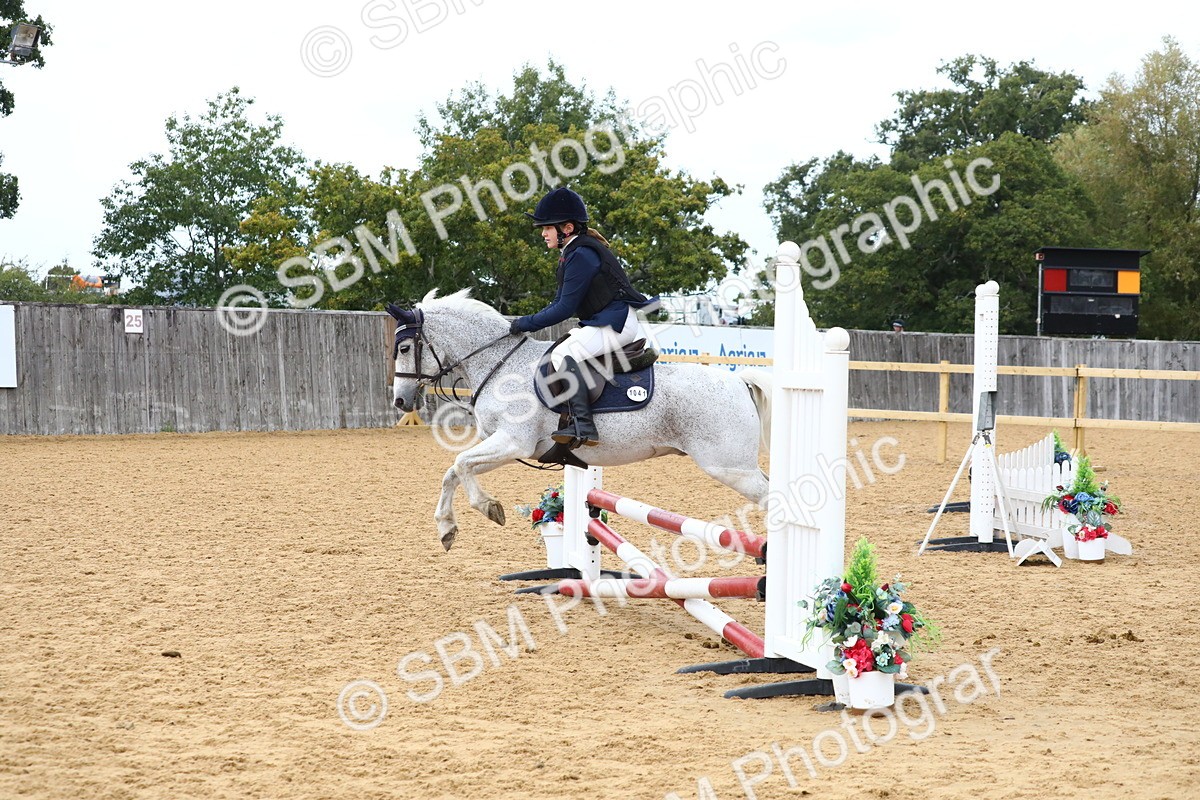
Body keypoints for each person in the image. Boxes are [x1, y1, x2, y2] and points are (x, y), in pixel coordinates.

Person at [509, 187, 657, 448]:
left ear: (566, 227)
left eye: (547, 228)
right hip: (606, 320)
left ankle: (584, 425)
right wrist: (527, 320)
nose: (543, 233)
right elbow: (558, 302)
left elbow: (564, 309)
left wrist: (524, 324)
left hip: (617, 323)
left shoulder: (582, 254)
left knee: (563, 354)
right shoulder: (572, 252)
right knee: (562, 348)